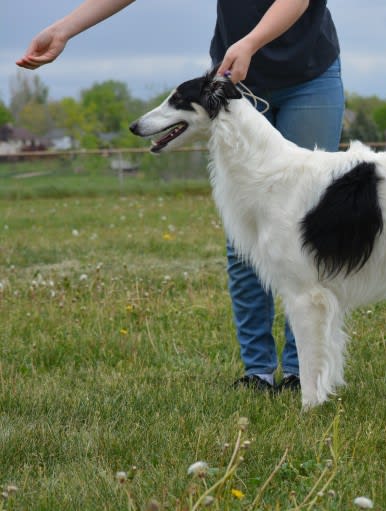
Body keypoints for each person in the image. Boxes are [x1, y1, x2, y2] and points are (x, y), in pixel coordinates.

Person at [17, 0, 345, 393]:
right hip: (231, 83)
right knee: (244, 240)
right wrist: (64, 28)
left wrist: (252, 42)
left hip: (309, 77)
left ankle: (300, 373)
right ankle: (257, 371)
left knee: (307, 236)